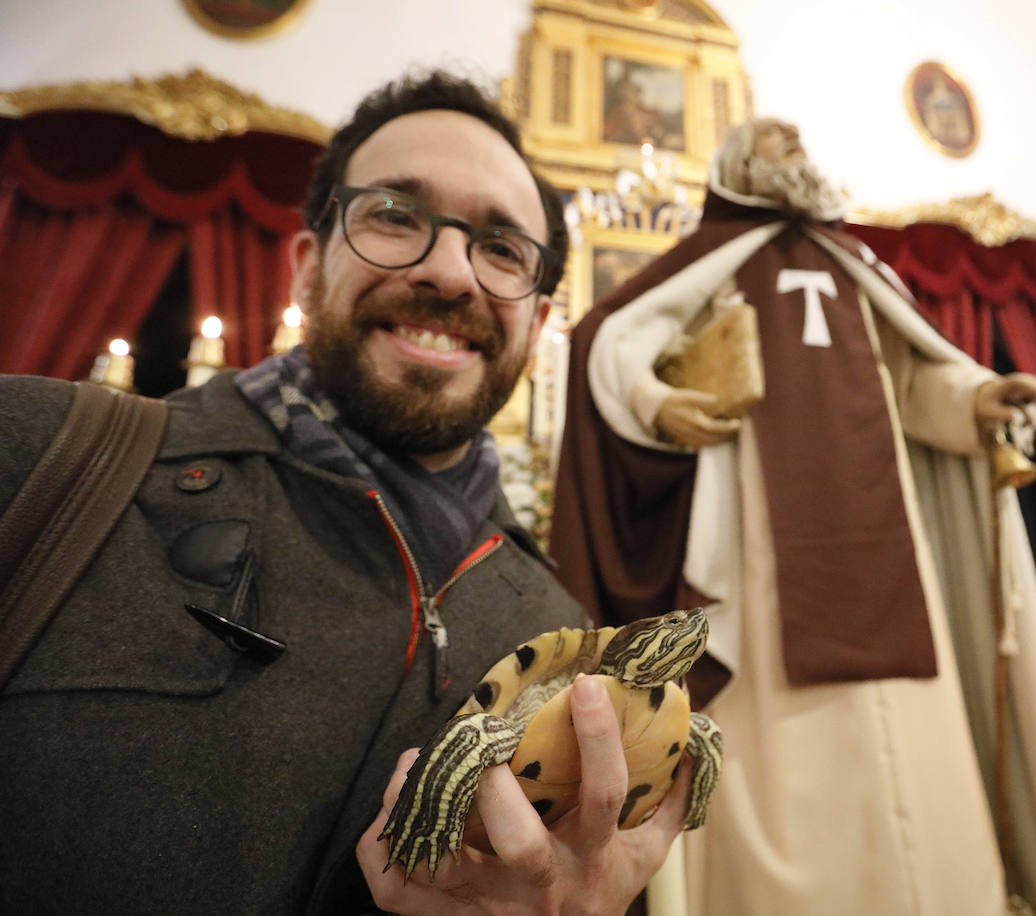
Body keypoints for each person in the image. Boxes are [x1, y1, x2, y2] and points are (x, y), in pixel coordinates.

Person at [0, 70, 689, 914]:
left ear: (539, 324)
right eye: (396, 216)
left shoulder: (559, 638)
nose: (450, 272)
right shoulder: (42, 458)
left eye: (502, 248)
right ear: (305, 266)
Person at [549, 117, 1036, 914]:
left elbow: (915, 381)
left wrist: (978, 396)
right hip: (761, 549)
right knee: (777, 738)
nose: (796, 158)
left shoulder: (857, 262)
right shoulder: (709, 259)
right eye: (777, 148)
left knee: (917, 745)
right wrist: (657, 401)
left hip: (890, 542)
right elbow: (612, 344)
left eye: (799, 148)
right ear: (737, 164)